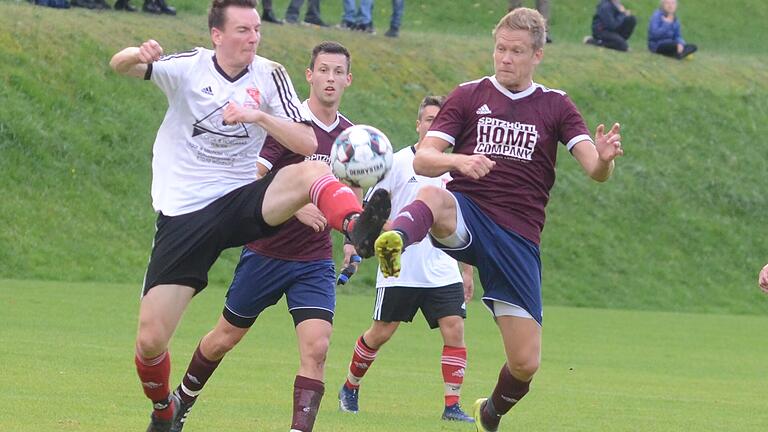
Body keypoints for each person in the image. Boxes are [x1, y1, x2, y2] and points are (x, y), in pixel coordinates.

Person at [108, 2, 390, 431]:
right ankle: (166, 411)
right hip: (186, 214)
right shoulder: (189, 68)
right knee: (150, 342)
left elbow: (305, 137)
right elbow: (120, 66)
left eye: (257, 29)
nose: (253, 38)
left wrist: (259, 115)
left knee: (312, 168)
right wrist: (137, 54)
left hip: (242, 199)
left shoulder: (270, 74)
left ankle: (355, 224)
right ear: (217, 35)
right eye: (243, 29)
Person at [372, 8, 624, 431]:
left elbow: (595, 172)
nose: (505, 58)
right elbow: (426, 158)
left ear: (537, 55)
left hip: (518, 239)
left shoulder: (555, 105)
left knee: (525, 363)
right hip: (469, 213)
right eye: (500, 49)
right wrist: (461, 161)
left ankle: (490, 413)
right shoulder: (469, 95)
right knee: (432, 194)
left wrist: (605, 158)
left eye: (516, 51)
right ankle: (394, 239)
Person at [165, 40, 356, 432]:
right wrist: (297, 203)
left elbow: (351, 194)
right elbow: (251, 177)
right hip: (266, 252)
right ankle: (182, 399)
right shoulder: (289, 122)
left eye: (338, 72)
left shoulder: (352, 138)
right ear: (310, 75)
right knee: (223, 338)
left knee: (317, 348)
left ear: (348, 80)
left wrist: (352, 238)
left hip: (314, 261)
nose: (330, 79)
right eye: (323, 70)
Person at [337, 95, 476, 423]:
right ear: (418, 124)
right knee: (381, 332)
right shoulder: (397, 162)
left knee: (454, 329)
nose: (433, 125)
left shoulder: (456, 168)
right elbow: (368, 213)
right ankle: (350, 385)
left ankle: (452, 406)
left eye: (439, 121)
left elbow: (465, 222)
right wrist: (388, 234)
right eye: (428, 119)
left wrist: (467, 271)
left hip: (443, 265)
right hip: (398, 263)